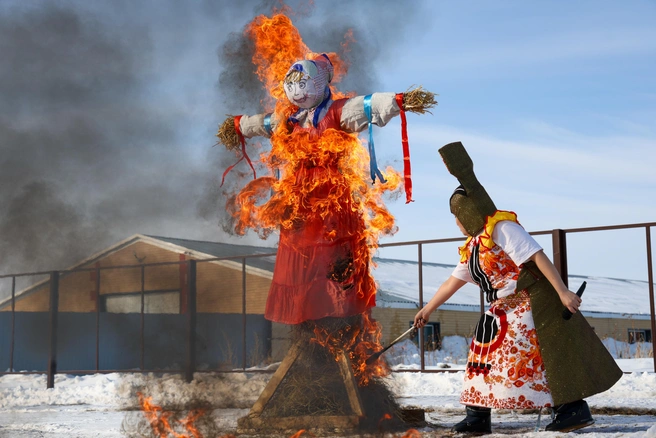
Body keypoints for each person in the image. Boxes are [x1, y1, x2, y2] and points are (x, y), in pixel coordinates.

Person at [414, 142, 623, 434]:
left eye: (457, 215)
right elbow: (454, 280)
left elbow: (536, 255)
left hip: (529, 302)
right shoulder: (475, 245)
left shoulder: (503, 228)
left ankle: (572, 409)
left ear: (470, 210)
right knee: (480, 354)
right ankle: (477, 416)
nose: (457, 222)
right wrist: (428, 308)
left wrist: (562, 291)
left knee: (529, 354)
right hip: (501, 308)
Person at [217, 53, 436, 326]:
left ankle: (337, 309)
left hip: (330, 192)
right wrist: (236, 125)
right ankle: (306, 310)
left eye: (303, 84)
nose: (297, 92)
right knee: (301, 254)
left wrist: (400, 101)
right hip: (298, 196)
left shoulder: (336, 111)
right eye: (292, 85)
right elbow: (260, 124)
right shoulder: (288, 119)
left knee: (334, 254)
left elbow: (366, 105)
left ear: (319, 84)